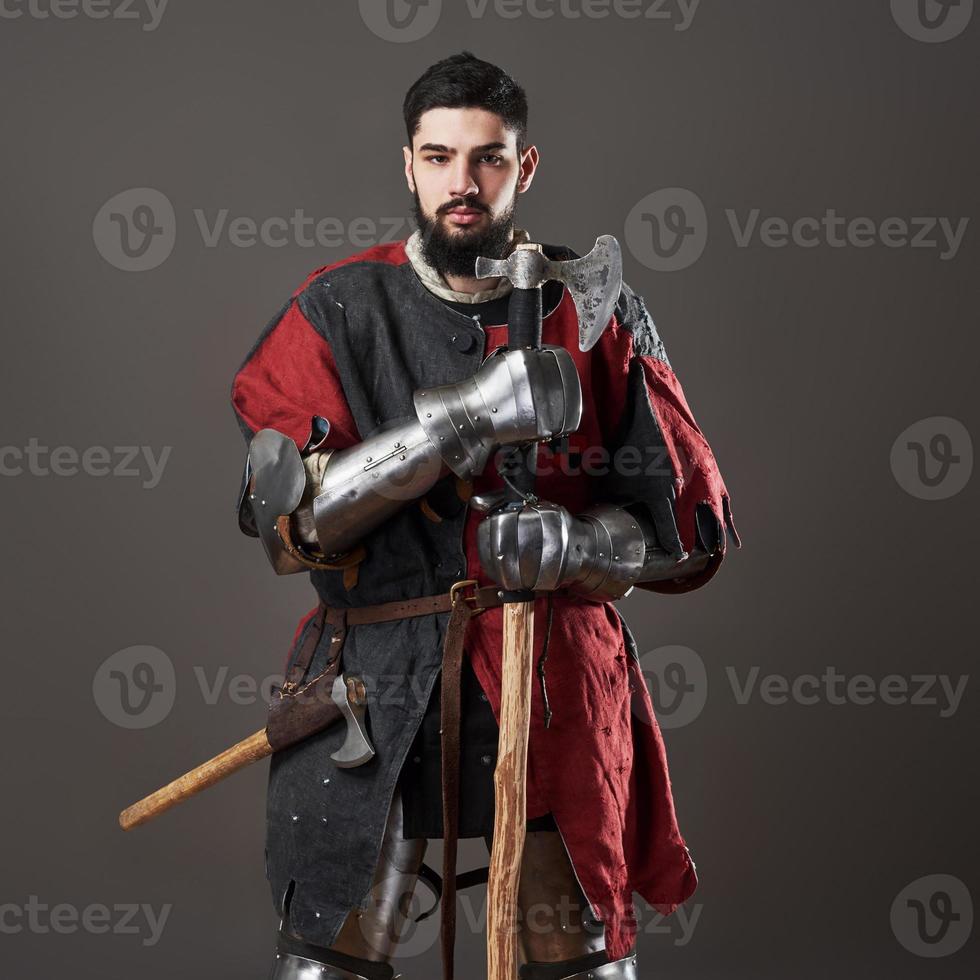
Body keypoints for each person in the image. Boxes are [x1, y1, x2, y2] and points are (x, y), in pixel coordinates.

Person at [231, 51, 738, 980]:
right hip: (367, 686)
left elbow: (684, 523)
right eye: (438, 158)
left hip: (552, 684)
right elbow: (292, 525)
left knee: (581, 963)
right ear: (408, 162)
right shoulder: (340, 307)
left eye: (488, 159)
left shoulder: (600, 310)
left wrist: (580, 543)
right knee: (324, 965)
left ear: (525, 164)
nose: (461, 184)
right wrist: (460, 419)